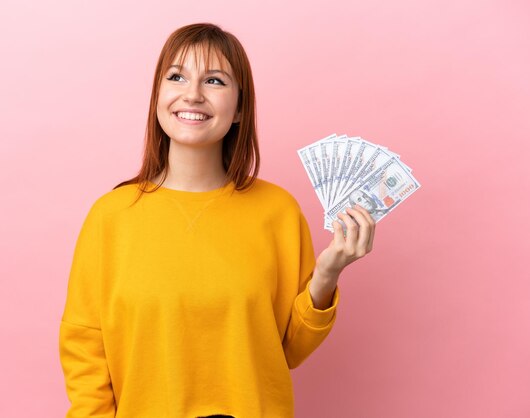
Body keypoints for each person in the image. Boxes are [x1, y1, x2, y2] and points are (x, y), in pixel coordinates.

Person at [59, 23, 376, 418]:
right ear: (158, 95)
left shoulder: (277, 211)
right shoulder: (111, 216)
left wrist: (327, 276)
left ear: (241, 107)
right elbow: (85, 350)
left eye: (214, 80)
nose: (192, 94)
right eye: (176, 77)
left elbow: (290, 351)